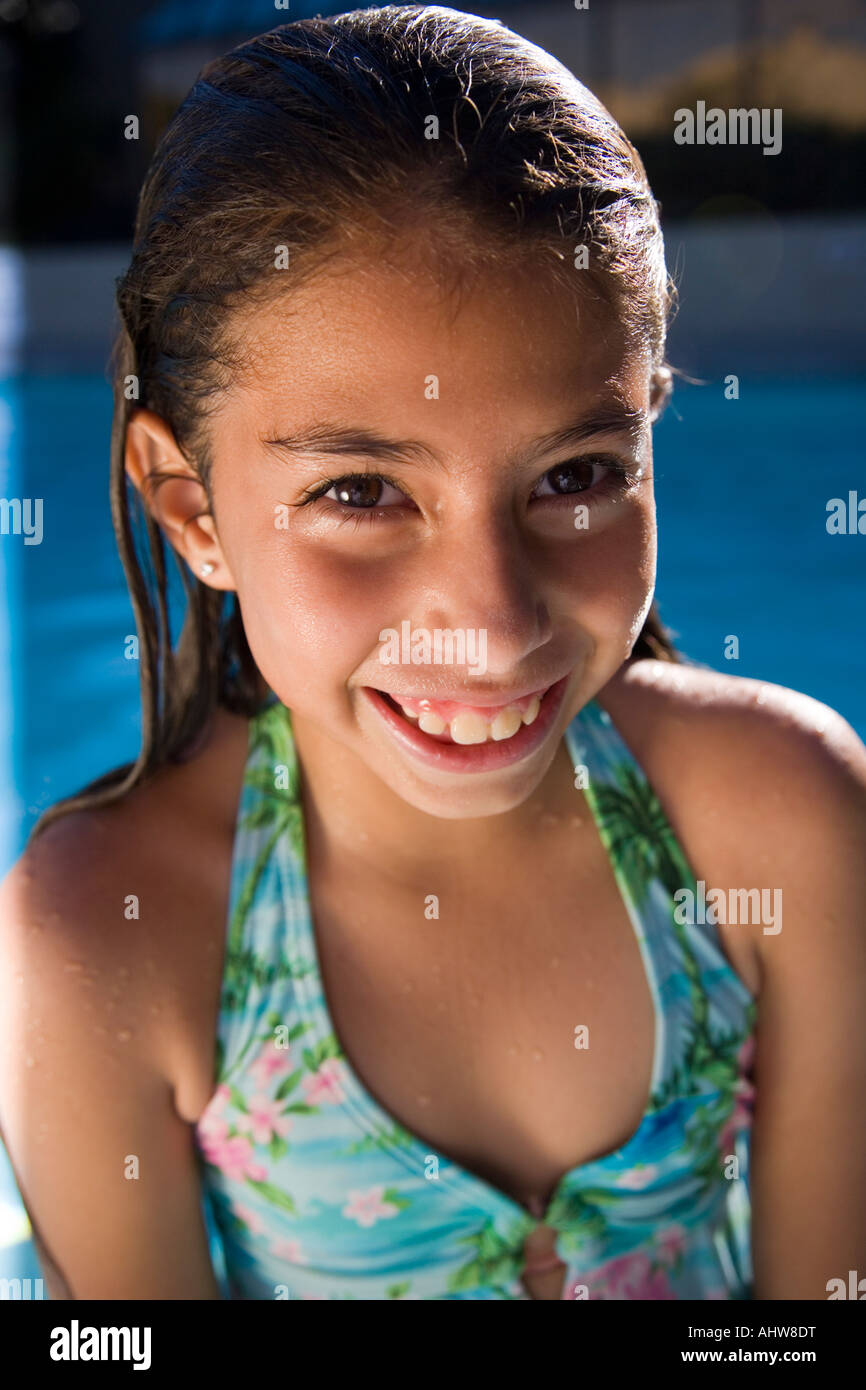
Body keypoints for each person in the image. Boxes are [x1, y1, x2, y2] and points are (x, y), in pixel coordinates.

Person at [1, 4, 864, 1301]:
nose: (494, 622)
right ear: (192, 510)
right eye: (359, 494)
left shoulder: (777, 817)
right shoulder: (111, 937)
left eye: (575, 473)